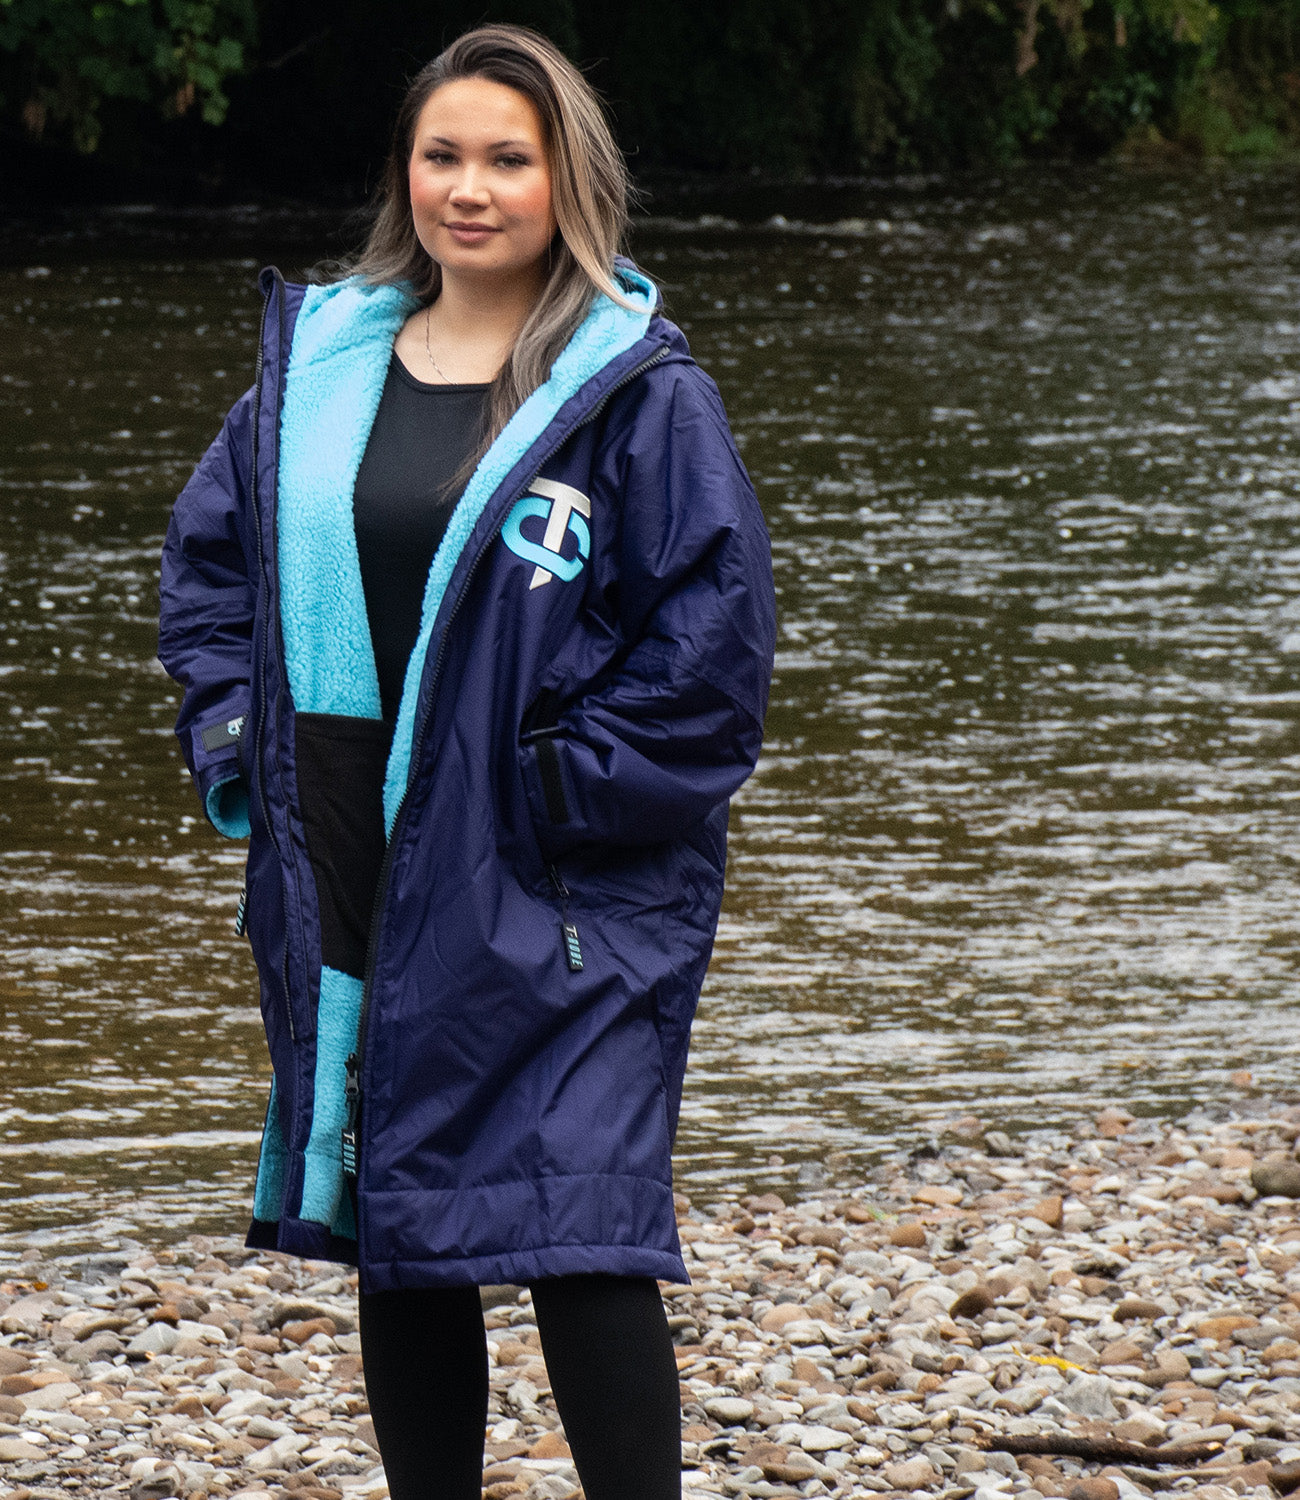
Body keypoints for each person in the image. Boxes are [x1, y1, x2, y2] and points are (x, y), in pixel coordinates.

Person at [158, 22, 775, 1500]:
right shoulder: (315, 376)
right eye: (445, 156)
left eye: (510, 158)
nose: (472, 188)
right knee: (403, 1226)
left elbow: (713, 648)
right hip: (352, 851)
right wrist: (242, 752)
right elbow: (210, 576)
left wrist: (558, 793)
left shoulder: (635, 394)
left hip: (558, 886)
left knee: (579, 1226)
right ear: (407, 174)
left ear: (570, 179)